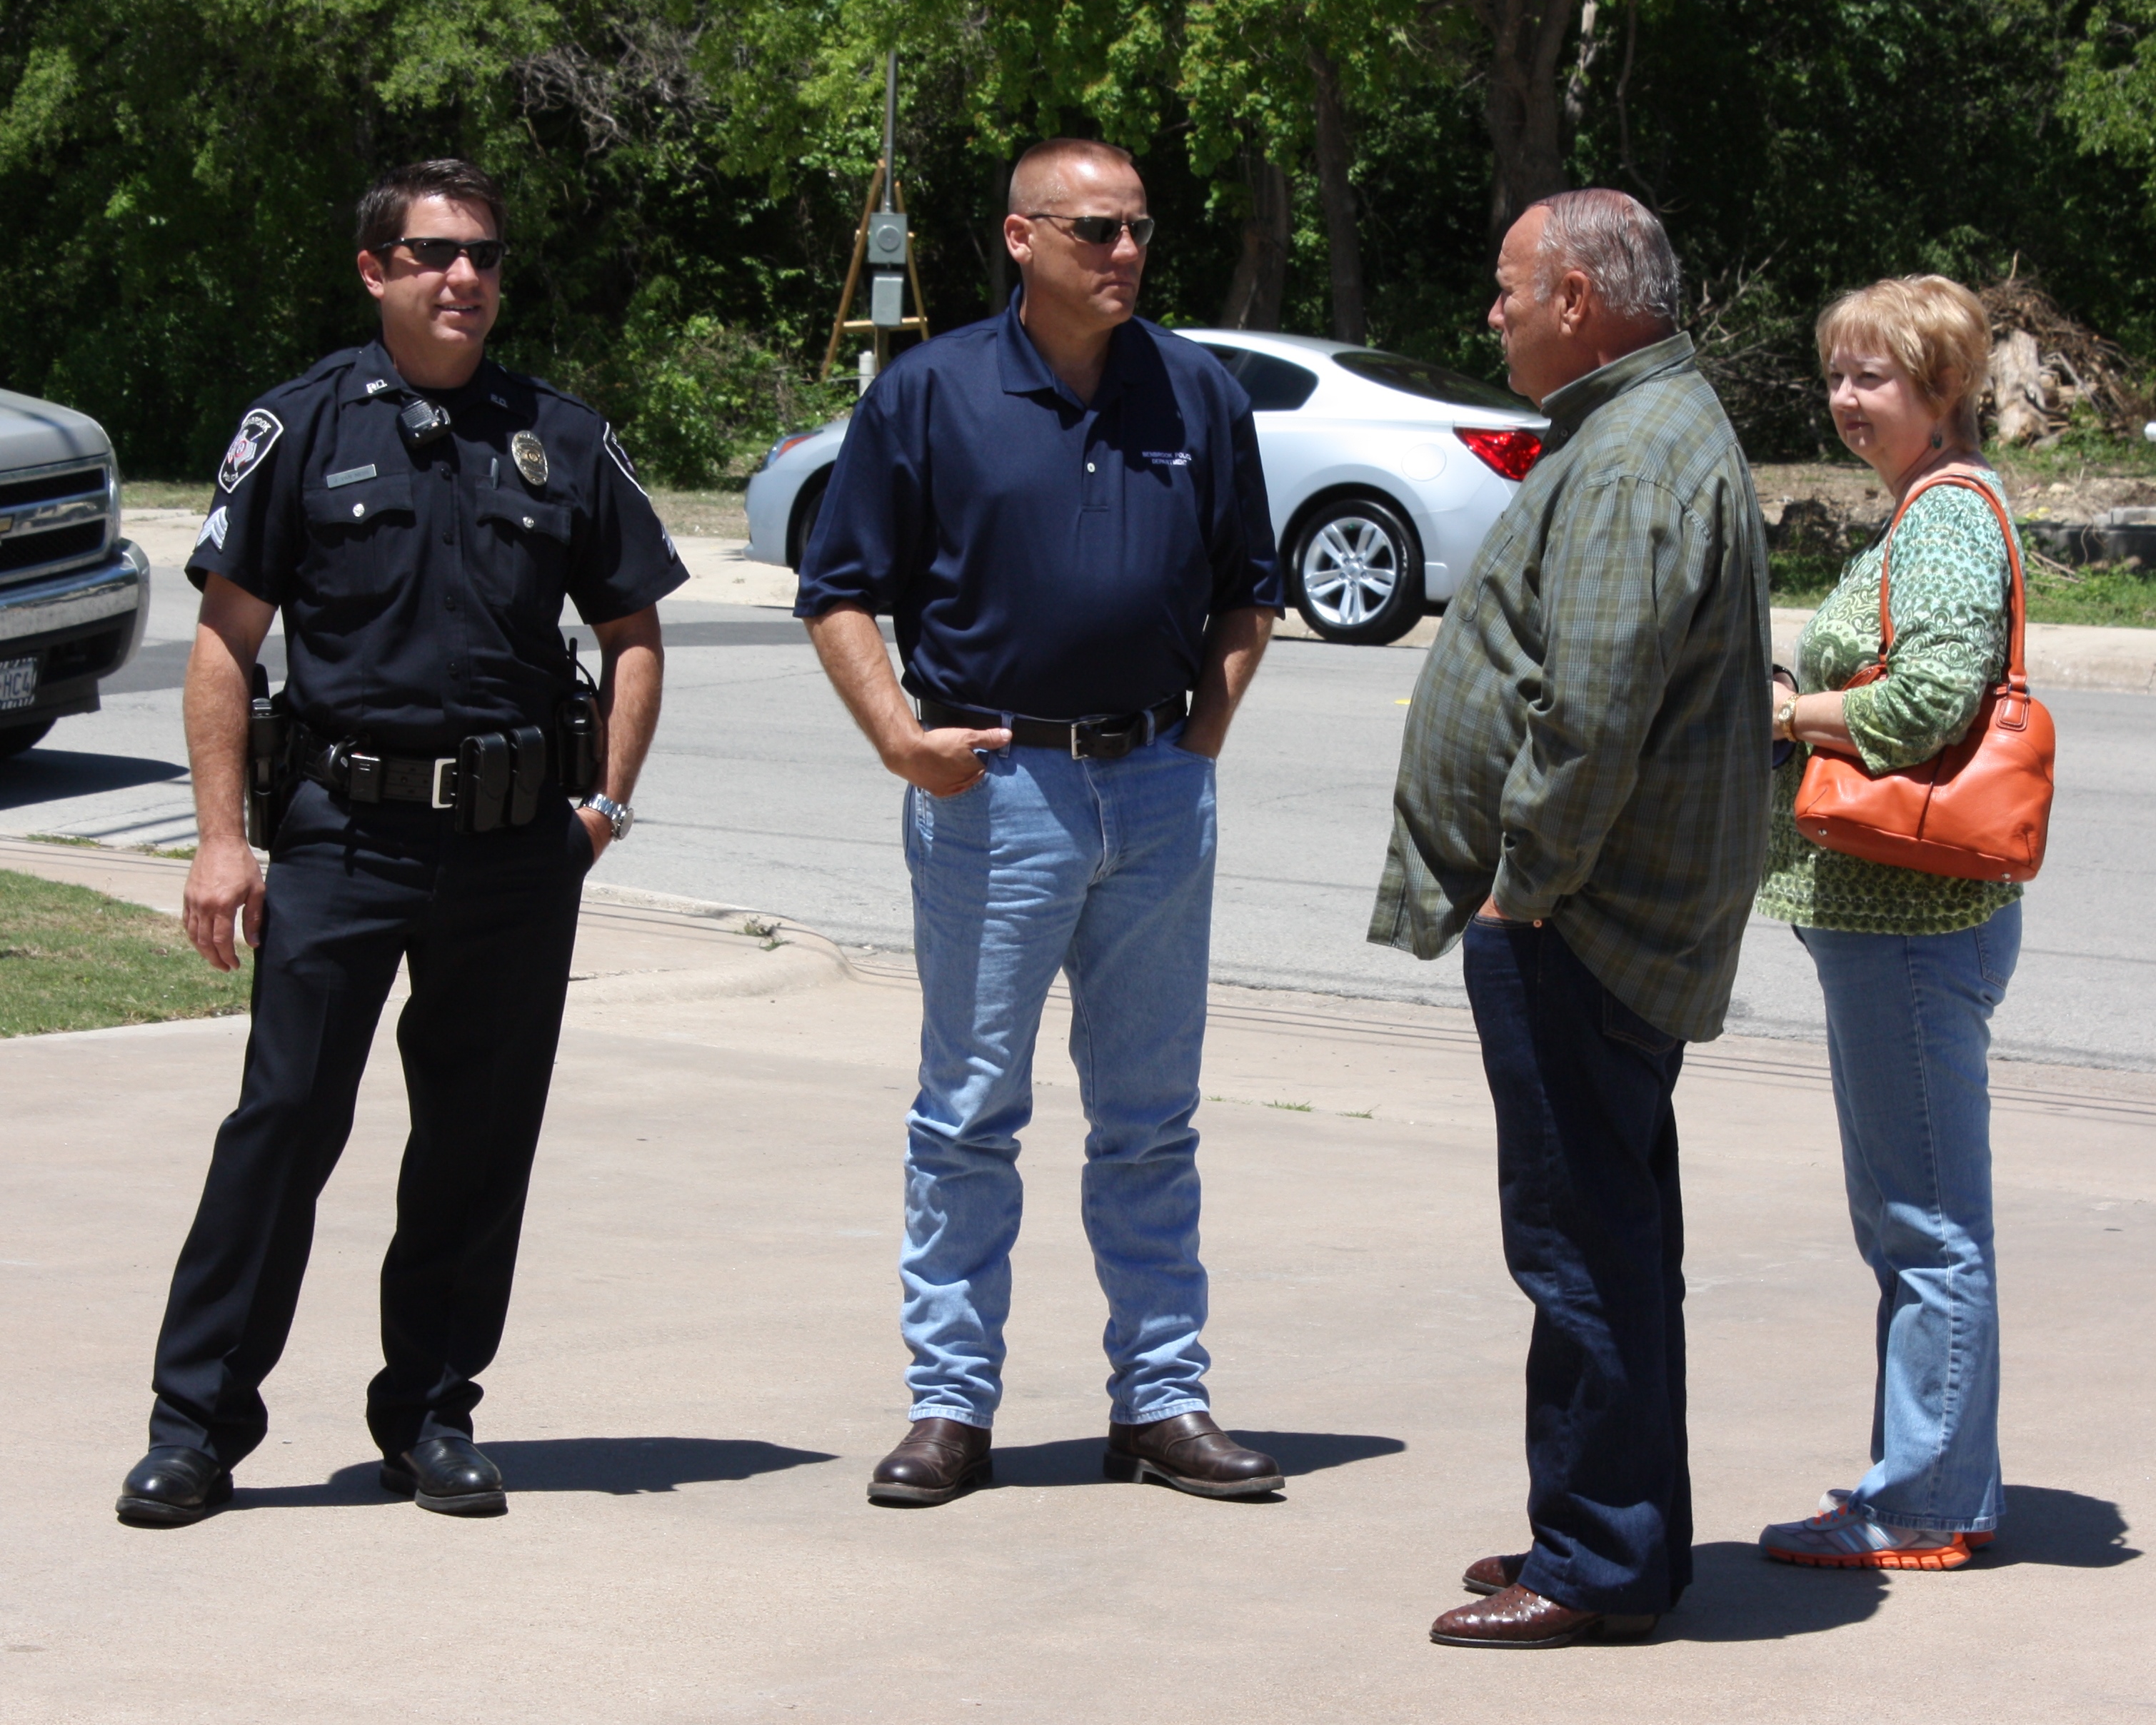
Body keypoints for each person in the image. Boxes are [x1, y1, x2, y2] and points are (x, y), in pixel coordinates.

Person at [115, 159, 686, 1527]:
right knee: (282, 1127)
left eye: (485, 256)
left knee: (477, 1143)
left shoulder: (559, 433)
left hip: (511, 855)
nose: (466, 278)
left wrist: (601, 806)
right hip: (341, 840)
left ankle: (430, 1413)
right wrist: (218, 844)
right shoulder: (300, 425)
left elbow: (634, 631)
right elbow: (222, 648)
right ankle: (197, 1427)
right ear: (376, 270)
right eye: (435, 255)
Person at [798, 138, 1285, 1507]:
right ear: (1020, 240)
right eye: (1093, 231)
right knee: (968, 1114)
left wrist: (1199, 745)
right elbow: (837, 589)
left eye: (1136, 229)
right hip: (993, 795)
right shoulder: (930, 393)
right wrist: (901, 738)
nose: (1123, 252)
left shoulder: (1194, 389)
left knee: (1151, 1119)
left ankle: (1162, 1402)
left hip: (1153, 793)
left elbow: (1250, 587)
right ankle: (951, 1407)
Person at [1370, 189, 1773, 1646]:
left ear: (1581, 299)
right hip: (1598, 916)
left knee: (1579, 1243)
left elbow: (1589, 711)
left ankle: (1598, 1561)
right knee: (1608, 1231)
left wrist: (1517, 885)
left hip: (1579, 920)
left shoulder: (1632, 457)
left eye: (1507, 290)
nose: (1494, 314)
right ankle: (1616, 1531)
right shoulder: (1638, 429)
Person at [1753, 276, 2022, 1571]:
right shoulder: (1916, 513)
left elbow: (1926, 700)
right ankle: (1934, 1482)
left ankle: (1921, 1504)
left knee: (1924, 1225)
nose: (1848, 401)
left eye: (1875, 379)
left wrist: (1787, 714)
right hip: (1891, 915)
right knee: (1913, 1216)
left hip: (1912, 919)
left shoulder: (1951, 518)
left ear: (1942, 386)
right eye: (1839, 377)